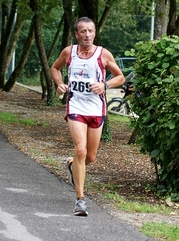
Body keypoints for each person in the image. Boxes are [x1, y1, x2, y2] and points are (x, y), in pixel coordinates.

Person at [50, 17, 125, 216]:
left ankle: (72, 165)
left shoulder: (103, 54)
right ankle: (80, 200)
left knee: (89, 156)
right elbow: (54, 68)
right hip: (75, 107)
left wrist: (105, 85)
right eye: (83, 31)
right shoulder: (69, 52)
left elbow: (121, 77)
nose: (87, 35)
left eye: (90, 31)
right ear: (76, 34)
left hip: (96, 109)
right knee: (81, 150)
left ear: (94, 33)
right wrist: (59, 83)